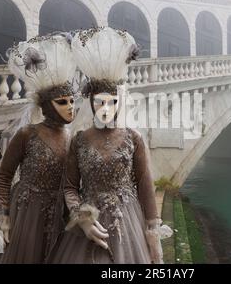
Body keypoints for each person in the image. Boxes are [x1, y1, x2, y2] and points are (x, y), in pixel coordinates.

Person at [48, 27, 171, 264]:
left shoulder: (133, 139)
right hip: (87, 228)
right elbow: (70, 187)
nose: (106, 108)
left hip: (127, 225)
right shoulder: (79, 140)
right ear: (91, 104)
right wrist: (81, 217)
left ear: (119, 102)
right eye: (99, 102)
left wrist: (153, 234)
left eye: (112, 102)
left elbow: (146, 187)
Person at [0, 32, 80, 263]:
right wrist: (4, 215)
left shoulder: (73, 137)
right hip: (27, 214)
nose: (70, 107)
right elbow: (4, 176)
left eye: (72, 101)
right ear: (47, 106)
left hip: (61, 214)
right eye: (62, 102)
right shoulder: (27, 134)